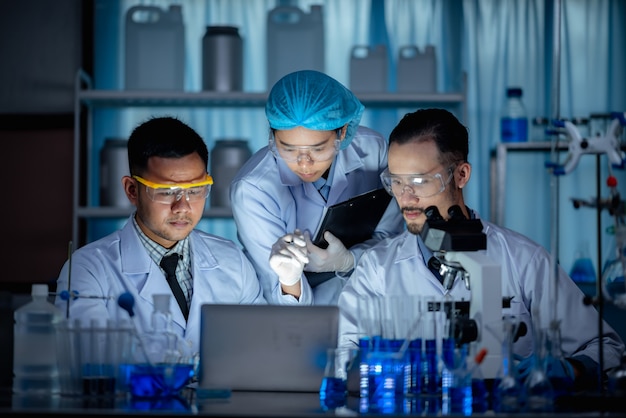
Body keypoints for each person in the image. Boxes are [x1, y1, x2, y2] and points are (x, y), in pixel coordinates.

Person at [337, 108, 624, 391]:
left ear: (461, 175)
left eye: (420, 181)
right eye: (396, 182)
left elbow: (607, 348)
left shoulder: (524, 259)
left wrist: (571, 369)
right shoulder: (376, 269)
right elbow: (343, 363)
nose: (405, 198)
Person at [55, 116, 266, 361]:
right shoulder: (88, 269)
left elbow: (259, 351)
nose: (182, 207)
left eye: (196, 190)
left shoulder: (233, 262)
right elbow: (90, 360)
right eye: (166, 192)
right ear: (132, 190)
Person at [230, 70, 405, 305]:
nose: (304, 163)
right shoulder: (253, 189)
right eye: (289, 149)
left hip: (372, 300)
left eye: (318, 149)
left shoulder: (372, 150)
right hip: (300, 317)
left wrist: (350, 260)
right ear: (272, 136)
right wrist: (289, 278)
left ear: (342, 132)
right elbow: (278, 294)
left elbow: (392, 240)